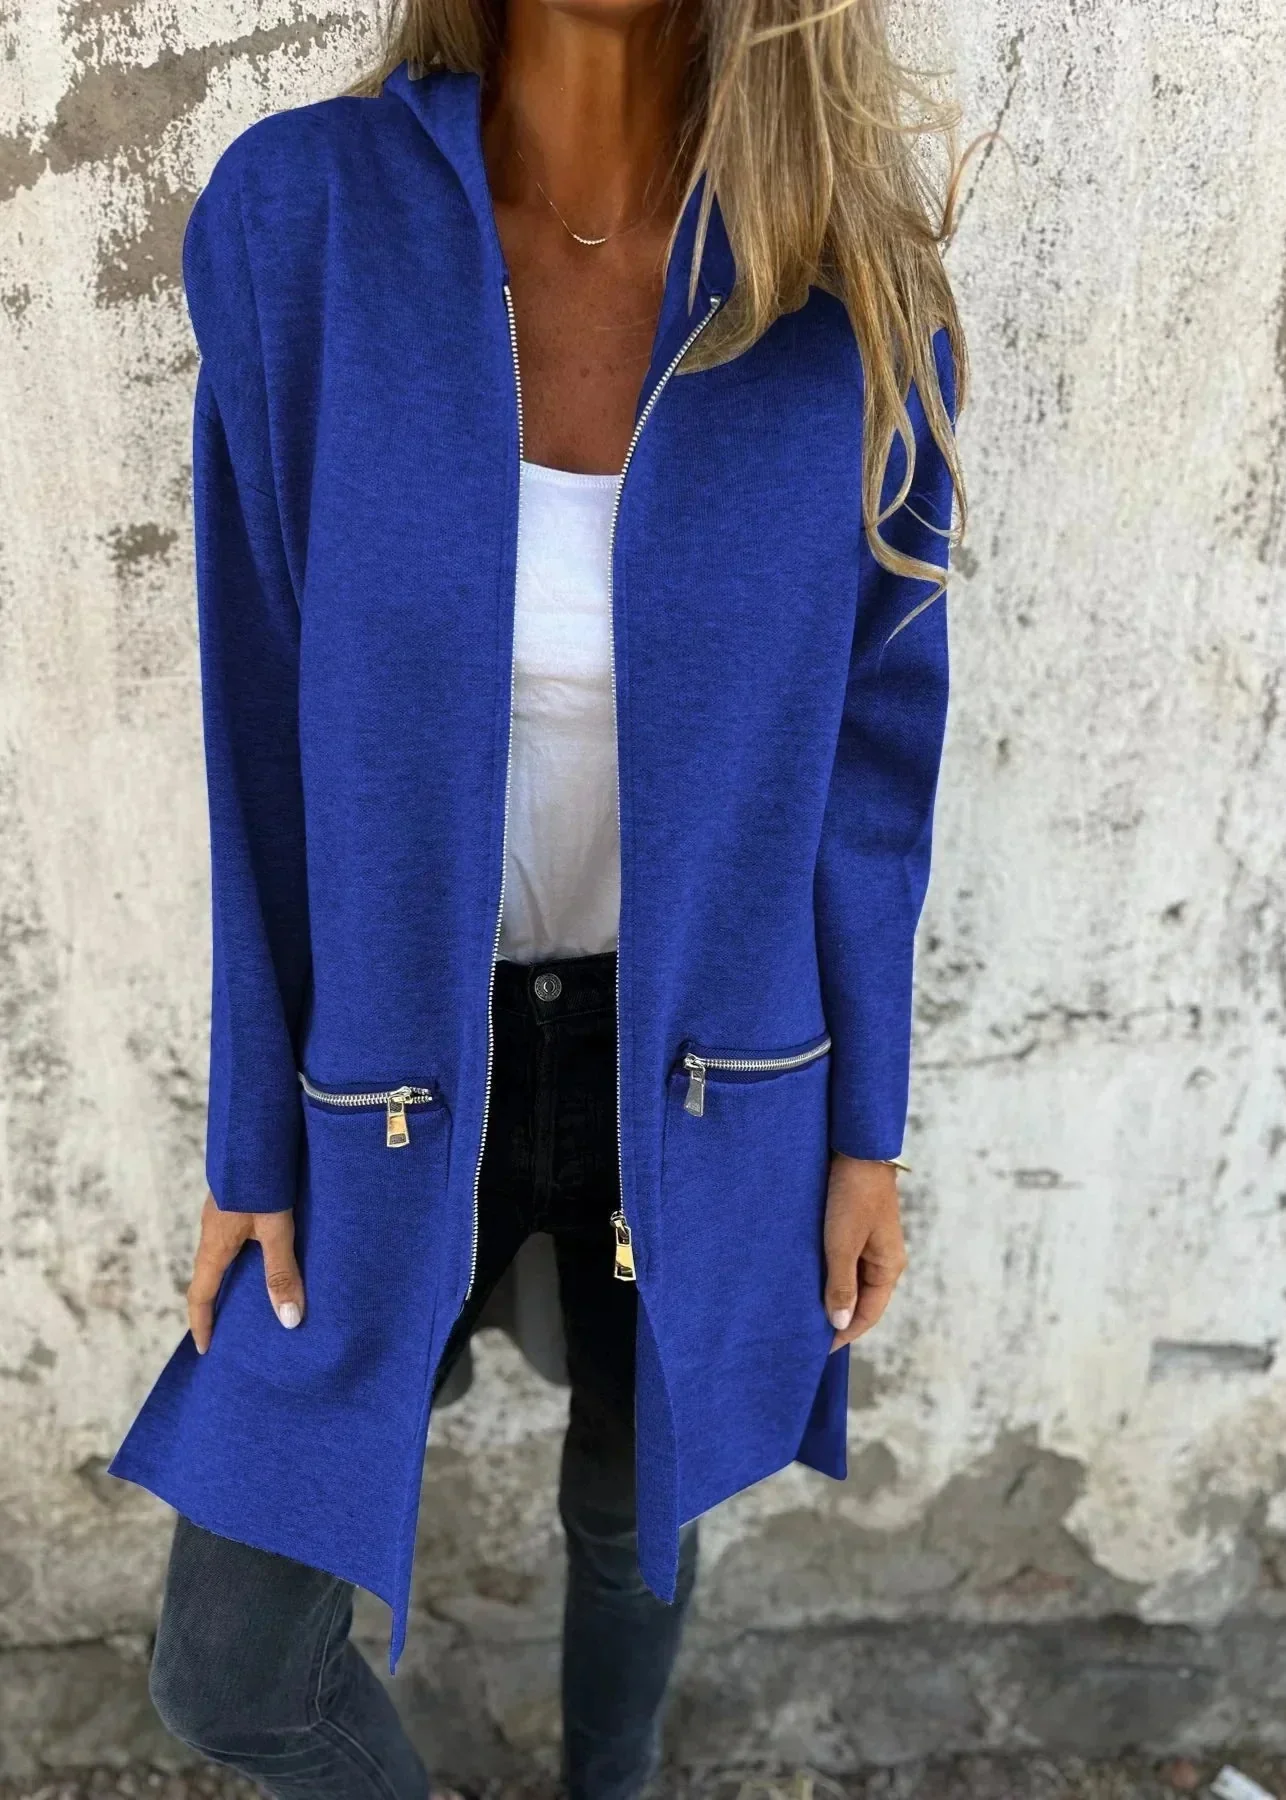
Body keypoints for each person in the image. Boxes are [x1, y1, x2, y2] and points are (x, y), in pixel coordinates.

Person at [109, 0, 968, 1792]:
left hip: (709, 1069)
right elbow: (255, 723)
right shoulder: (306, 222)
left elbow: (866, 773)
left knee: (635, 1512)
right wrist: (252, 1138)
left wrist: (862, 1133)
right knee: (231, 1666)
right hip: (393, 1068)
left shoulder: (845, 291)